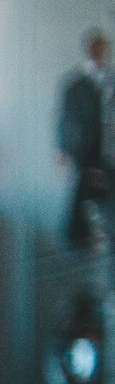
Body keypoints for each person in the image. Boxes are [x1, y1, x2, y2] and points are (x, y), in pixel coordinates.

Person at [59, 29, 112, 250]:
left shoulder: (109, 79)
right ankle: (81, 237)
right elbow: (63, 119)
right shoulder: (74, 85)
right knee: (83, 195)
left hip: (108, 149)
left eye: (103, 48)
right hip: (85, 150)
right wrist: (62, 148)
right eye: (95, 47)